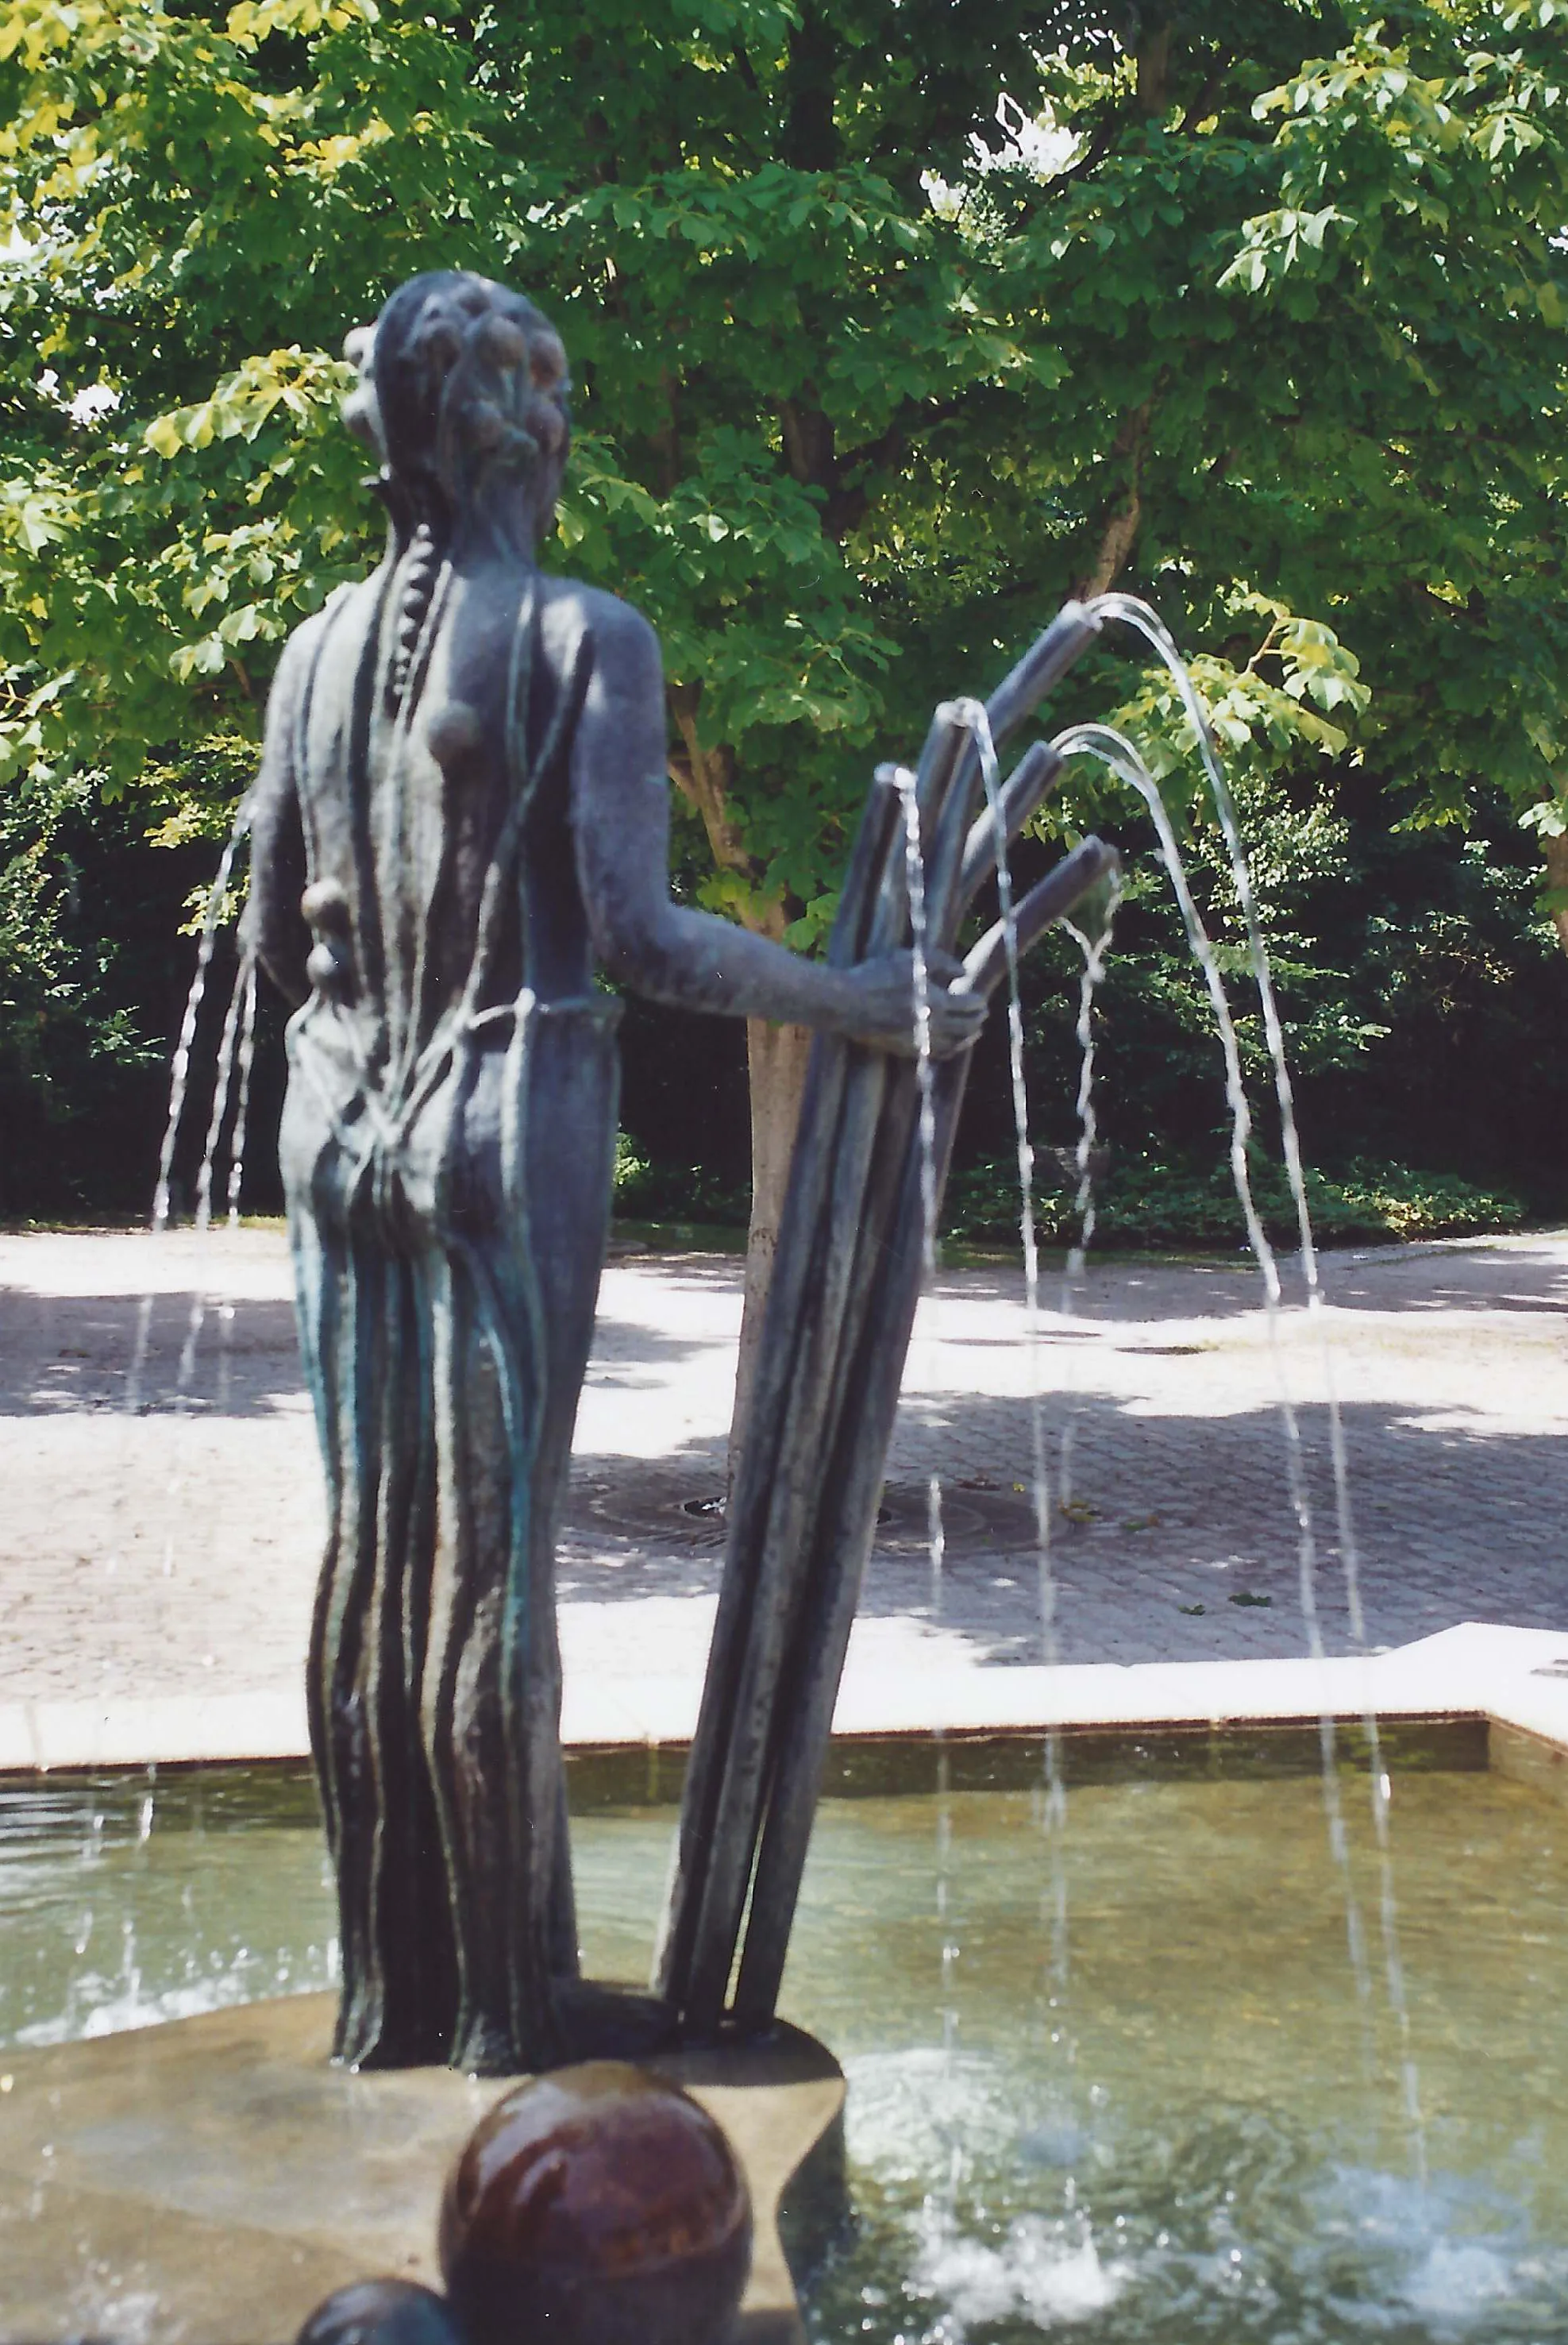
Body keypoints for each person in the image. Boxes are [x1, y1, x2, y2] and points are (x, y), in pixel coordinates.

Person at [245, 268, 983, 2072]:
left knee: (374, 1564)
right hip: (510, 1108)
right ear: (503, 423)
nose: (563, 425)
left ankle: (387, 1996)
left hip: (336, 1121)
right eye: (546, 391)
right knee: (490, 1582)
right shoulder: (586, 633)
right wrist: (858, 998)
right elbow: (644, 942)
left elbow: (275, 938)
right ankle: (507, 2013)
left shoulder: (313, 654)